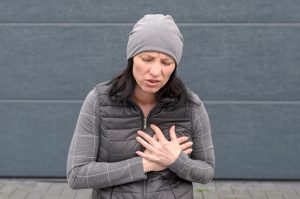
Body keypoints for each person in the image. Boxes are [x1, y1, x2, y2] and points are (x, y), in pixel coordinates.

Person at [67, 14, 215, 199]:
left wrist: (175, 160)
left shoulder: (191, 106)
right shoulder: (99, 101)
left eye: (166, 62)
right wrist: (145, 164)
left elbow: (207, 171)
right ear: (132, 58)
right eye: (147, 58)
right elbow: (77, 174)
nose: (155, 71)